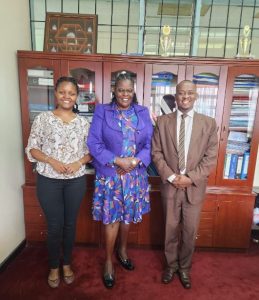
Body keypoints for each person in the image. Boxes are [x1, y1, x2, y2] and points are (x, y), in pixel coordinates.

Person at [87, 71, 153, 289]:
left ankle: (122, 251)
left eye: (129, 90)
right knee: (112, 219)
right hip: (111, 176)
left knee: (127, 218)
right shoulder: (102, 111)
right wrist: (117, 161)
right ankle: (108, 261)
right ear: (114, 91)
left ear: (134, 92)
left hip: (134, 176)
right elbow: (94, 143)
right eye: (121, 90)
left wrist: (133, 162)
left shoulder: (142, 112)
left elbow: (150, 145)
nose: (125, 94)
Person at [25, 76, 92, 288]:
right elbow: (32, 149)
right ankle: (54, 266)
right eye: (63, 92)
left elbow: (91, 152)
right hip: (48, 181)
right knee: (55, 226)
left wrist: (78, 162)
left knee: (70, 225)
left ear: (76, 97)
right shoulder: (43, 118)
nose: (67, 96)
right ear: (56, 93)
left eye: (71, 93)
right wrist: (50, 160)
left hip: (75, 181)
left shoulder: (83, 122)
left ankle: (67, 264)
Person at [152, 80, 218, 289]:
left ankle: (185, 269)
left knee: (189, 232)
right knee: (170, 230)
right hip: (170, 186)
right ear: (176, 96)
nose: (185, 97)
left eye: (190, 93)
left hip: (194, 186)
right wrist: (171, 177)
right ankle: (171, 266)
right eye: (181, 93)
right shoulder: (163, 122)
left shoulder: (208, 123)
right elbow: (156, 153)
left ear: (196, 96)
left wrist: (190, 177)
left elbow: (210, 157)